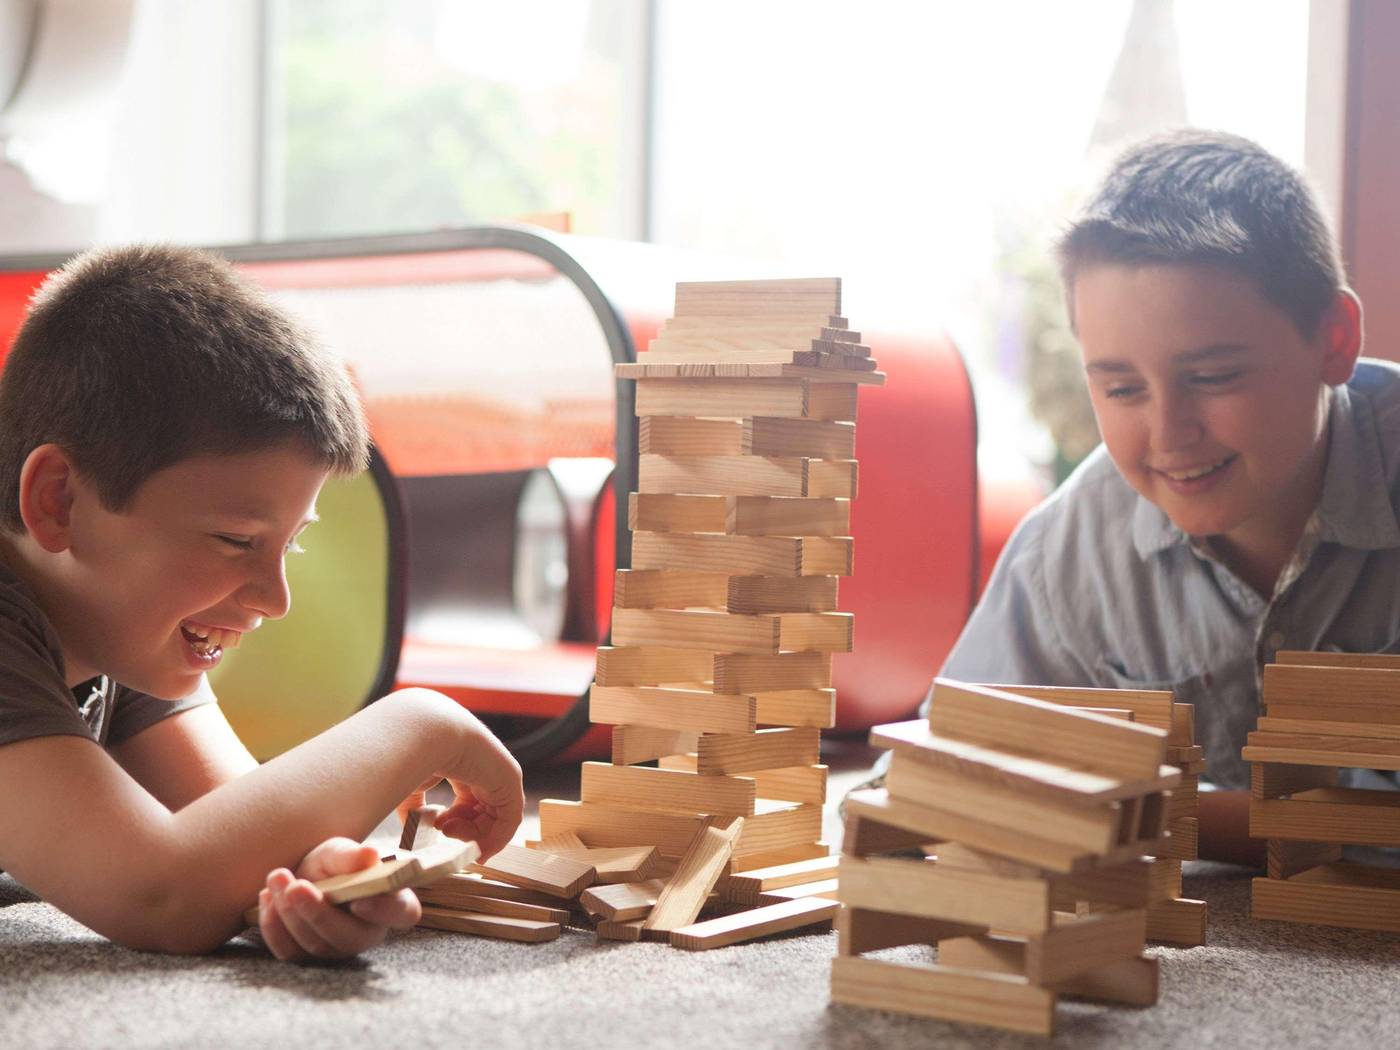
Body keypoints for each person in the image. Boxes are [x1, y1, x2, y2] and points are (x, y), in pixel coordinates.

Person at [0, 244, 524, 960]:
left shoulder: (116, 628)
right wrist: (423, 725)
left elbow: (233, 827)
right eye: (234, 539)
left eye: (291, 544)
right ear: (59, 501)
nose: (275, 599)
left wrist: (317, 877)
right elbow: (160, 894)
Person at [897, 129, 1395, 866]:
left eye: (1214, 376)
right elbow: (923, 789)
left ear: (1334, 339)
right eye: (1123, 389)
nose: (1169, 433)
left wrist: (1153, 812)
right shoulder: (1070, 550)